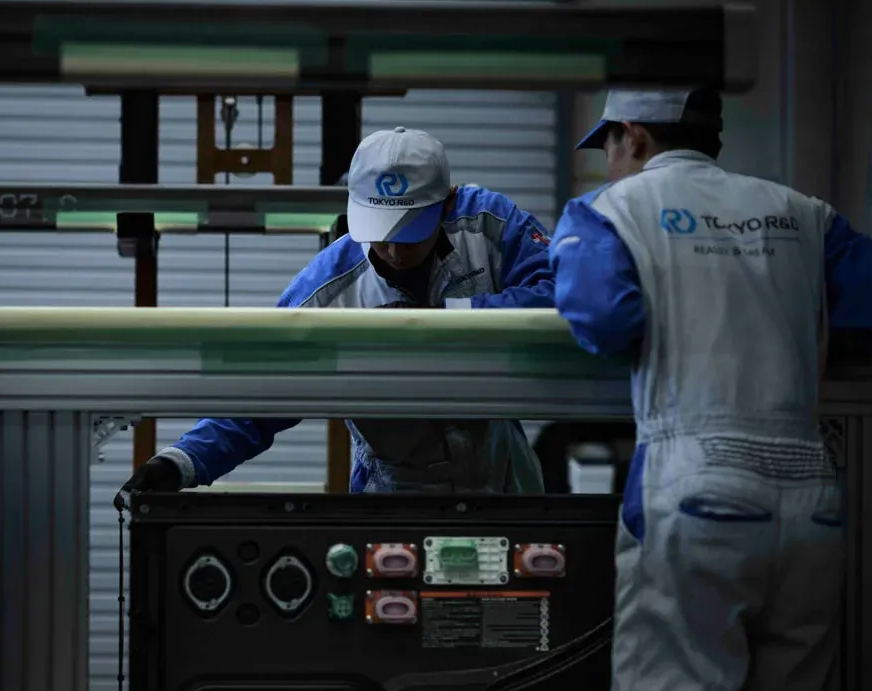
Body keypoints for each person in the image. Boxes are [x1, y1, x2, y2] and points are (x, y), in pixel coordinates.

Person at [552, 88, 872, 691]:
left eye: (607, 145)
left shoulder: (610, 211)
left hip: (697, 489)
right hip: (812, 497)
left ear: (631, 136)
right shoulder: (806, 214)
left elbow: (604, 323)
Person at [121, 126, 557, 497]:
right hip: (394, 503)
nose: (391, 249)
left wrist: (454, 316)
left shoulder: (489, 224)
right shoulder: (328, 289)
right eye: (380, 231)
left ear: (447, 204)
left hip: (508, 488)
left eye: (409, 233)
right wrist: (180, 463)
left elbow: (561, 292)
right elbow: (259, 396)